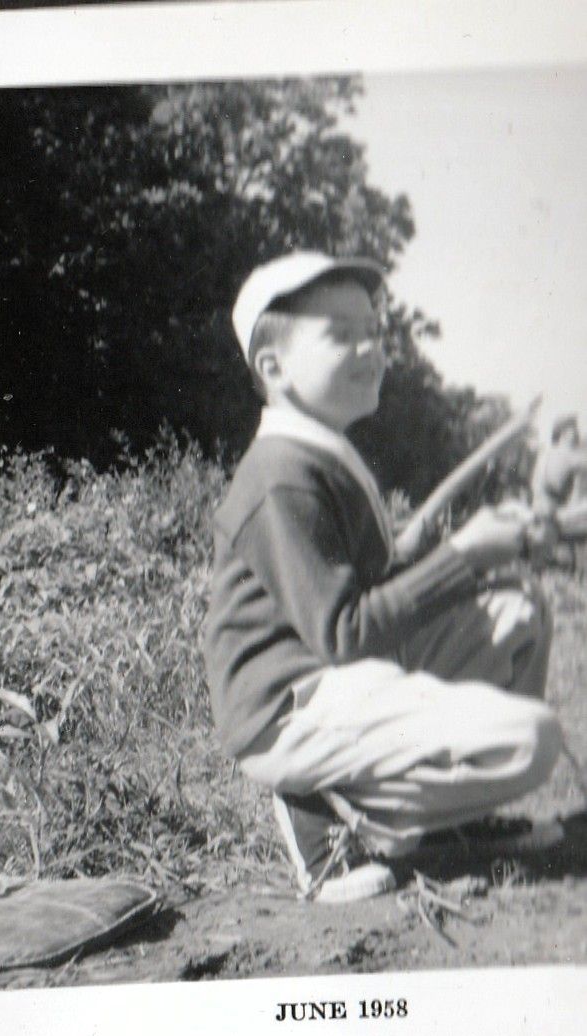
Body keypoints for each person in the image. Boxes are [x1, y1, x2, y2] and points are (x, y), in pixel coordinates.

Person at [204, 251, 565, 904]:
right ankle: (321, 819)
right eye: (341, 333)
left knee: (516, 607)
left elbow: (365, 589)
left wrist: (457, 549)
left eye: (374, 328)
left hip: (336, 683)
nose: (371, 345)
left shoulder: (323, 452)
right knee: (532, 739)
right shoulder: (279, 474)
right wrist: (463, 557)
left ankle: (445, 825)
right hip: (285, 710)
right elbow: (343, 631)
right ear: (273, 366)